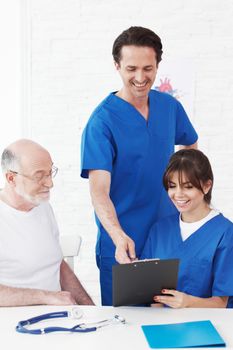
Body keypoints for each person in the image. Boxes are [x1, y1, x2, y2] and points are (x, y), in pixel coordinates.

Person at [81, 26, 198, 305]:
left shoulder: (169, 107)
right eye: (131, 68)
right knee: (125, 326)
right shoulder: (102, 122)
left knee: (171, 320)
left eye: (148, 68)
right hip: (124, 245)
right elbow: (99, 192)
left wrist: (187, 195)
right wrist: (118, 235)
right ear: (117, 66)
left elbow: (190, 148)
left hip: (169, 236)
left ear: (157, 65)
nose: (140, 77)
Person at [0, 139, 94, 307]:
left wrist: (90, 308)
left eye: (50, 172)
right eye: (39, 176)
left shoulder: (42, 206)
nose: (50, 183)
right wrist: (47, 297)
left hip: (54, 316)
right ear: (11, 178)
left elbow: (57, 264)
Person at [141, 149, 233, 308]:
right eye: (172, 186)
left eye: (187, 187)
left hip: (206, 326)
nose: (178, 194)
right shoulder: (159, 230)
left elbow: (221, 303)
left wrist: (188, 302)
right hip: (159, 326)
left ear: (206, 186)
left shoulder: (225, 232)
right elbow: (150, 296)